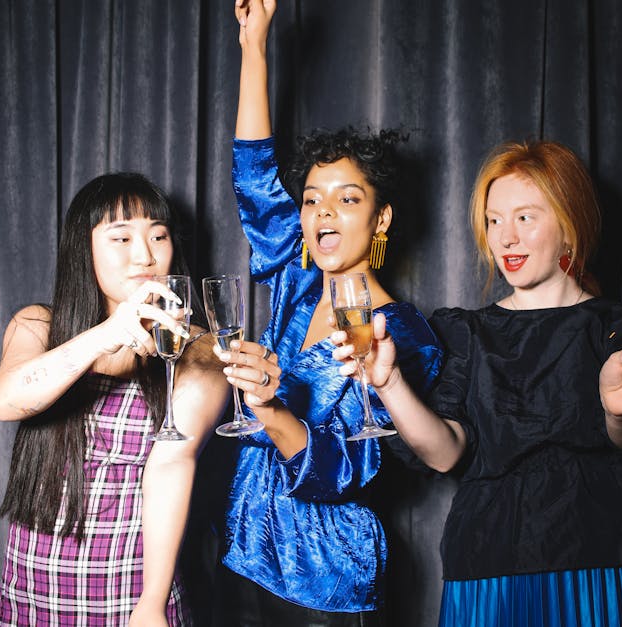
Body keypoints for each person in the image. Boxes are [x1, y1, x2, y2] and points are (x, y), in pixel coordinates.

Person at [333, 140, 622, 626]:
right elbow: (444, 453)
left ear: (570, 224)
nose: (506, 238)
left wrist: (617, 411)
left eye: (525, 217)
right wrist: (389, 381)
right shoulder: (464, 332)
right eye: (494, 220)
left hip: (612, 555)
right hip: (493, 559)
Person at [207, 0, 442, 623]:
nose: (322, 214)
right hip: (241, 551)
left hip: (325, 576)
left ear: (381, 217)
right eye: (312, 201)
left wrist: (268, 406)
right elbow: (255, 178)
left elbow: (354, 469)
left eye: (347, 198)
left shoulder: (407, 337)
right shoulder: (297, 280)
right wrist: (253, 45)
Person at [0, 172, 230, 626]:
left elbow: (173, 464)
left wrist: (152, 603)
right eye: (121, 237)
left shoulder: (197, 350)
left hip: (133, 587)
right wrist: (107, 335)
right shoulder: (38, 325)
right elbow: (7, 401)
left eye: (158, 236)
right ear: (85, 249)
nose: (145, 255)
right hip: (33, 586)